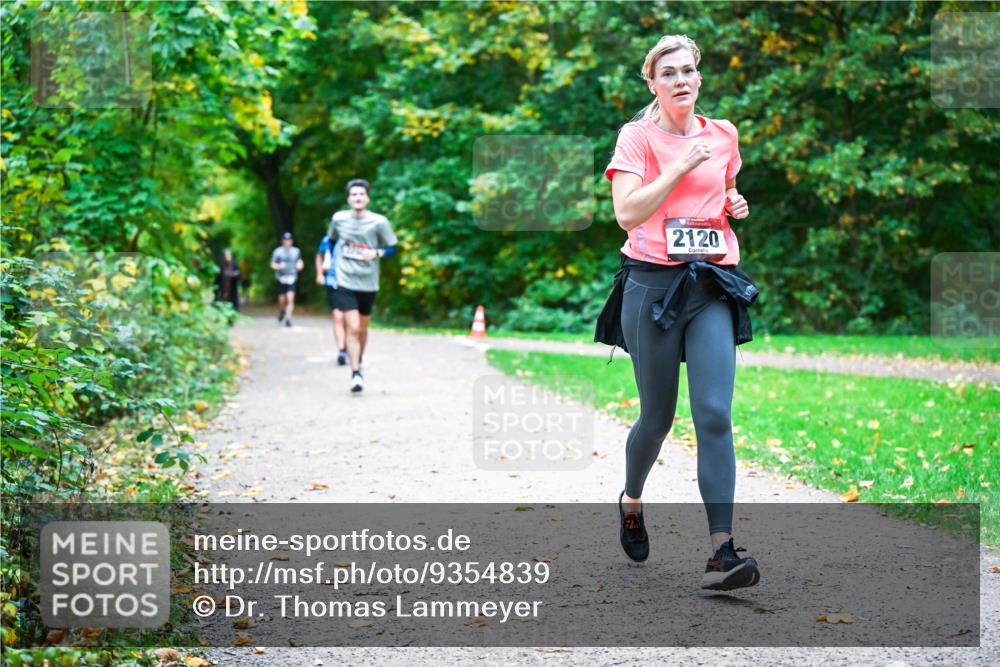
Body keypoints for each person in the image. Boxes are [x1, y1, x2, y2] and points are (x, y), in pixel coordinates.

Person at [596, 34, 761, 590]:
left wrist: (734, 202)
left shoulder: (723, 134)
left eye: (688, 70)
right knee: (658, 417)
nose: (680, 80)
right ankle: (632, 499)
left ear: (699, 77)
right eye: (668, 73)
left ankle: (722, 551)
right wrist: (678, 168)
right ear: (653, 84)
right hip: (651, 287)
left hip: (709, 283)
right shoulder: (638, 137)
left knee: (713, 413)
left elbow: (725, 188)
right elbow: (626, 213)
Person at [327, 178, 398, 393]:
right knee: (354, 327)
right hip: (345, 279)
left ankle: (358, 360)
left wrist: (376, 252)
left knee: (363, 329)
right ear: (348, 199)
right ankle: (355, 372)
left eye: (361, 194)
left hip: (368, 281)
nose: (357, 198)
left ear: (367, 198)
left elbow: (393, 248)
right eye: (354, 194)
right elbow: (331, 240)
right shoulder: (339, 219)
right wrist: (332, 260)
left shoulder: (379, 222)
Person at [315, 231, 348, 365]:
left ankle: (349, 344)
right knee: (337, 316)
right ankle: (342, 350)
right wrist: (319, 274)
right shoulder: (328, 239)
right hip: (333, 281)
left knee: (349, 318)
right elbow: (319, 255)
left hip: (351, 282)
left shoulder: (353, 235)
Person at [270, 231, 304, 328]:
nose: (287, 242)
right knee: (282, 299)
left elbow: (300, 261)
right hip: (281, 277)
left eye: (289, 240)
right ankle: (282, 311)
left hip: (292, 277)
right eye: (285, 240)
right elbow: (272, 264)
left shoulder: (296, 251)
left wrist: (300, 265)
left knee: (290, 297)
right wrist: (278, 266)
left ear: (291, 241)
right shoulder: (277, 252)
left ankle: (288, 318)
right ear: (282, 241)